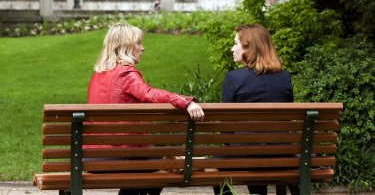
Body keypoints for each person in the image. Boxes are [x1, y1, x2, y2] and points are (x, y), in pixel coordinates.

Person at [87, 22, 205, 195]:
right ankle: (191, 162)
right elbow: (149, 93)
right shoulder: (125, 73)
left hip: (93, 157)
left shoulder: (98, 74)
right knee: (168, 165)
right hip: (121, 155)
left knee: (160, 162)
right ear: (125, 46)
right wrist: (186, 102)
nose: (142, 48)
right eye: (138, 43)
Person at [212, 24, 297, 195]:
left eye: (236, 43)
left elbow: (225, 127)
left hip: (245, 155)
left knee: (215, 167)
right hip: (281, 155)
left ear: (248, 47)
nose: (232, 48)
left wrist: (231, 145)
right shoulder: (284, 77)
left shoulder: (233, 78)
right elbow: (286, 121)